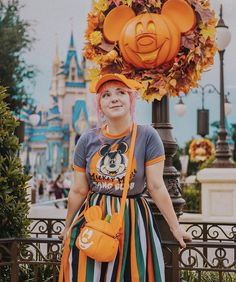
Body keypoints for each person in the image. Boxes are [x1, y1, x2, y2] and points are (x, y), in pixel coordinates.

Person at [59, 73, 192, 281]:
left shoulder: (147, 136)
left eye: (121, 92)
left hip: (132, 221)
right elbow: (78, 189)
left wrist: (176, 228)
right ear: (99, 105)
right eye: (106, 95)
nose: (114, 98)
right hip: (94, 219)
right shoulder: (87, 139)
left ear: (131, 99)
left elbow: (157, 187)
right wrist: (67, 228)